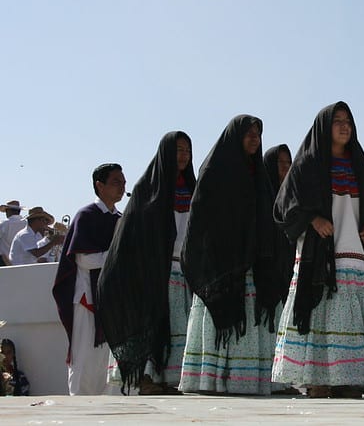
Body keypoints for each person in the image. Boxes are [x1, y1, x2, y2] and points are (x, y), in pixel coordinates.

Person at [272, 101, 364, 399]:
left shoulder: (358, 165)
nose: (344, 126)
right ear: (324, 127)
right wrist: (313, 218)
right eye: (337, 120)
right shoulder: (308, 164)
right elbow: (284, 206)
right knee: (318, 313)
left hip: (353, 252)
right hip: (319, 253)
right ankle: (316, 379)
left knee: (349, 317)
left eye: (348, 121)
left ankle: (346, 379)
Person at [178, 115, 279, 395]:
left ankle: (245, 381)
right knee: (219, 317)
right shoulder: (216, 169)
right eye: (248, 133)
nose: (254, 139)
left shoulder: (258, 174)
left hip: (249, 263)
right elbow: (203, 218)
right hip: (221, 264)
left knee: (246, 317)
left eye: (258, 133)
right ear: (235, 137)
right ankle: (213, 381)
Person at [98, 132, 196, 395]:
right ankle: (145, 378)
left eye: (187, 150)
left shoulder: (193, 191)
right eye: (177, 150)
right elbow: (132, 235)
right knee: (150, 325)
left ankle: (166, 378)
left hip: (180, 272)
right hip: (152, 273)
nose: (183, 155)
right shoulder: (148, 191)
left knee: (175, 327)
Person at [52, 163, 126, 396]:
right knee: (84, 360)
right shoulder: (86, 216)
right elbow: (84, 260)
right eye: (116, 182)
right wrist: (118, 256)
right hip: (88, 300)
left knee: (109, 364)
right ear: (99, 185)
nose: (122, 188)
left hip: (114, 302)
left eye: (124, 183)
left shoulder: (122, 219)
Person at [263, 144, 301, 395]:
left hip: (286, 268)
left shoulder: (292, 197)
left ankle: (282, 380)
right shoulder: (262, 195)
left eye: (289, 164)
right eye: (280, 164)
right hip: (266, 270)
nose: (285, 169)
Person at [0, 201, 27, 266]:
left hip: (5, 261)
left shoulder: (4, 224)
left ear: (9, 211)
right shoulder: (27, 224)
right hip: (24, 262)